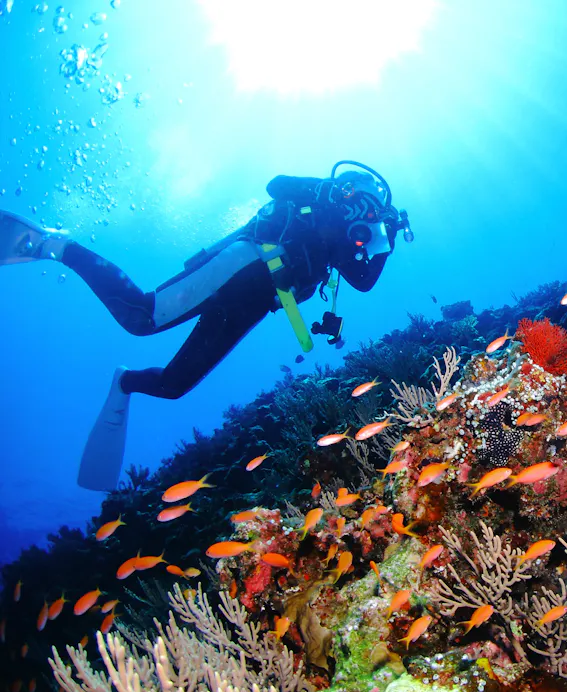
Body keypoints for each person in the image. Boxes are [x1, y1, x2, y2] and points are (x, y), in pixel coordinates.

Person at [0, 161, 413, 491]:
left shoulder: (355, 238)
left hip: (254, 304)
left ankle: (125, 382)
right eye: (360, 197)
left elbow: (362, 283)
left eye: (373, 209)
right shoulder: (319, 198)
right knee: (141, 318)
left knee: (173, 386)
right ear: (348, 187)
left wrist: (385, 240)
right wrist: (324, 189)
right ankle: (56, 245)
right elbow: (275, 184)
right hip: (242, 263)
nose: (362, 209)